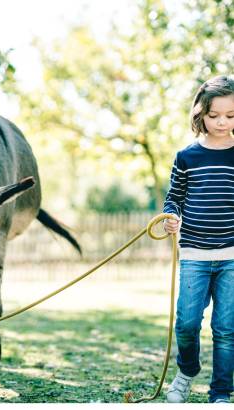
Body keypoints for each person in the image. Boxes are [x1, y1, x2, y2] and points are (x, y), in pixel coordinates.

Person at [162, 75, 234, 404]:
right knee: (187, 324)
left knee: (226, 329)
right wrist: (171, 216)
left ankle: (221, 393)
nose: (222, 122)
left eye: (231, 116)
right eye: (215, 115)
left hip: (232, 256)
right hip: (193, 254)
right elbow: (173, 198)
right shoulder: (186, 157)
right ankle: (187, 370)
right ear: (201, 114)